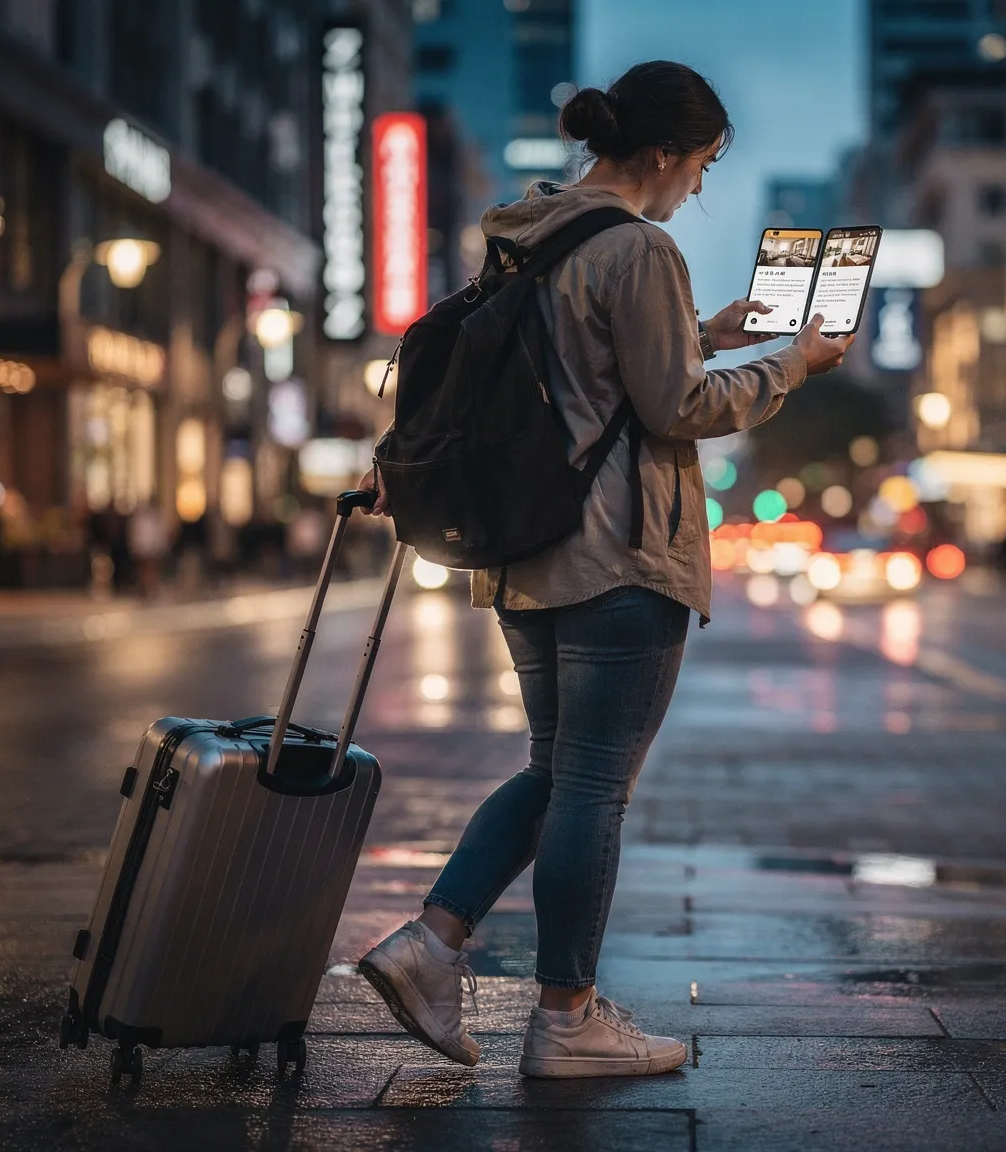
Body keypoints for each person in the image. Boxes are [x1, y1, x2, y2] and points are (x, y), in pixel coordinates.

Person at [353, 61, 851, 1080]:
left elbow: (593, 368)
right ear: (663, 155)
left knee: (554, 771)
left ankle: (430, 945)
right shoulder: (636, 247)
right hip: (619, 554)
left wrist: (712, 332)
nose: (699, 187)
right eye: (703, 165)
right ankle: (566, 1015)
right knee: (591, 786)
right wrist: (789, 365)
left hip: (525, 552)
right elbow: (677, 409)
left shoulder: (526, 231)